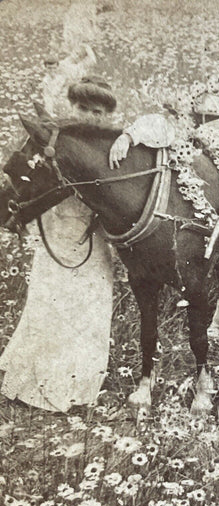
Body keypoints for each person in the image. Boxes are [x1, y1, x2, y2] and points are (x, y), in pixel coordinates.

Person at [0, 78, 116, 412]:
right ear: (69, 107)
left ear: (107, 116)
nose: (90, 117)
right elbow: (21, 181)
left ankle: (77, 386)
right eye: (82, 109)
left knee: (88, 308)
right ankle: (37, 383)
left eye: (98, 112)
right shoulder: (47, 139)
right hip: (55, 231)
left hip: (91, 239)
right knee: (50, 304)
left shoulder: (109, 149)